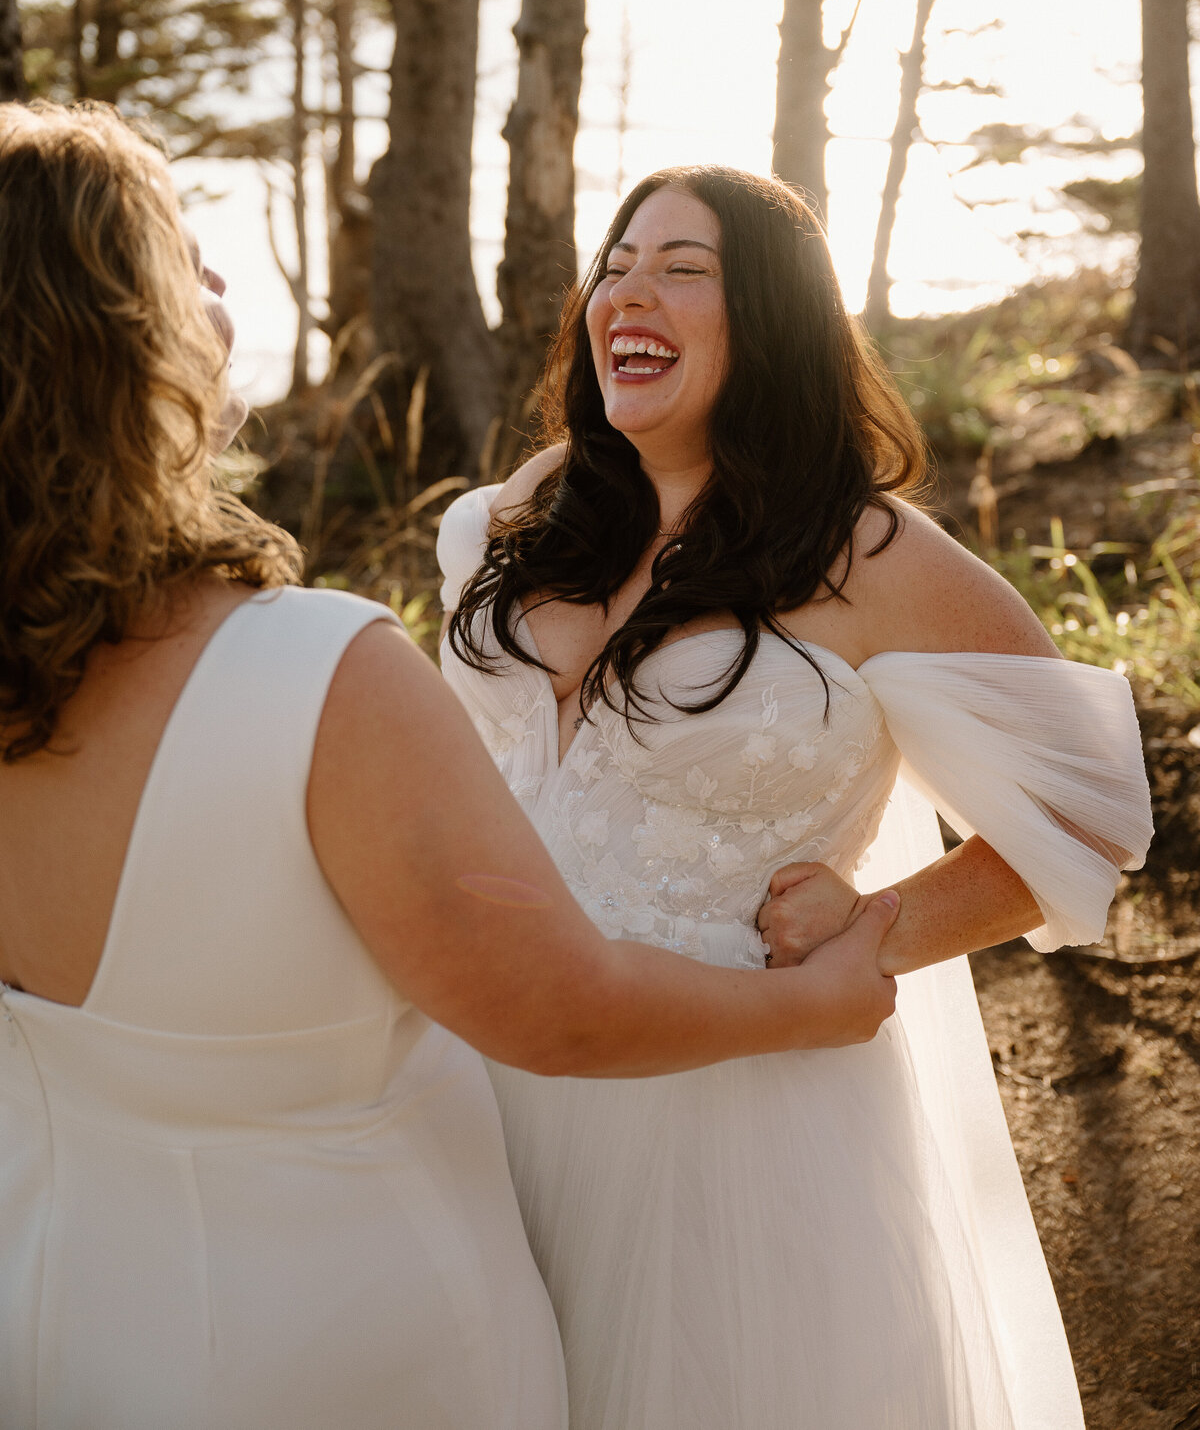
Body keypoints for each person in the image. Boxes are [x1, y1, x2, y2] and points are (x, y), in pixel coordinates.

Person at [0, 109, 901, 1430]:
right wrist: (813, 1010)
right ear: (118, 336)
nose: (225, 283)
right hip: (340, 1337)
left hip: (60, 1303)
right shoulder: (318, 673)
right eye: (184, 256)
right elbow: (557, 1010)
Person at [438, 164, 1155, 1430]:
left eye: (683, 267)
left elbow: (1093, 800)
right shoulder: (530, 513)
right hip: (482, 1077)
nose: (628, 292)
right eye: (615, 263)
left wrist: (877, 928)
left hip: (730, 1122)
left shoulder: (863, 550)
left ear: (767, 315)